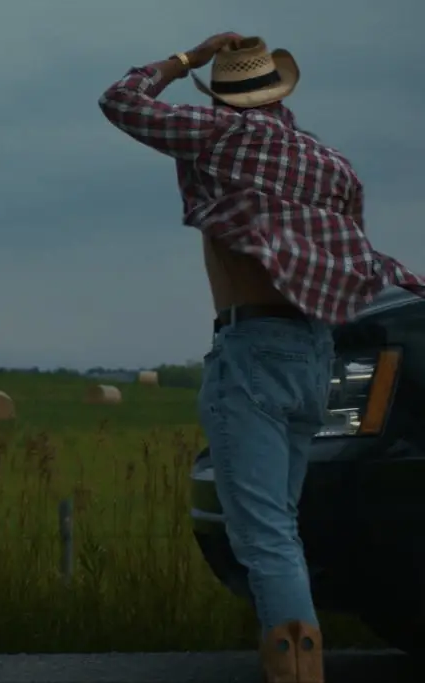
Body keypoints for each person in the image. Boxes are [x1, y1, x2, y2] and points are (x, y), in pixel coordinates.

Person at [97, 34, 425, 683]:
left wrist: (185, 59)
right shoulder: (331, 164)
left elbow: (120, 100)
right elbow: (340, 253)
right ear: (279, 90)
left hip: (253, 352)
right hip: (315, 355)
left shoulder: (219, 136)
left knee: (265, 538)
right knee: (284, 530)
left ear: (222, 94)